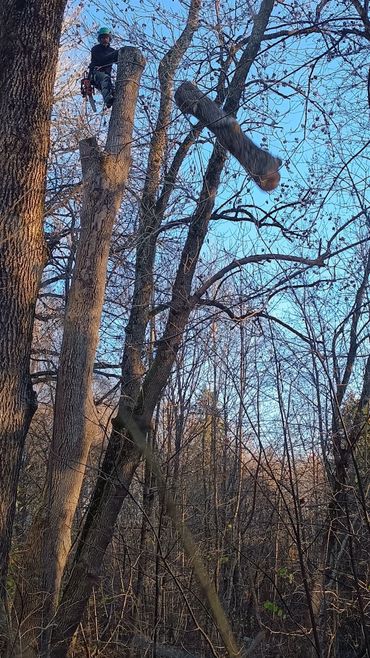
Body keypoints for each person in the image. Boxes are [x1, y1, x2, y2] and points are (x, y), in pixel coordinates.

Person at [89, 27, 118, 108]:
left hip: (106, 75)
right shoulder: (96, 49)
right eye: (102, 38)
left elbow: (118, 61)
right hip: (96, 74)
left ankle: (113, 97)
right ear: (99, 39)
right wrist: (115, 54)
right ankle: (108, 100)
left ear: (109, 38)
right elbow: (101, 59)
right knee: (105, 79)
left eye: (106, 37)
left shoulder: (112, 51)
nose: (104, 39)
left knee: (111, 88)